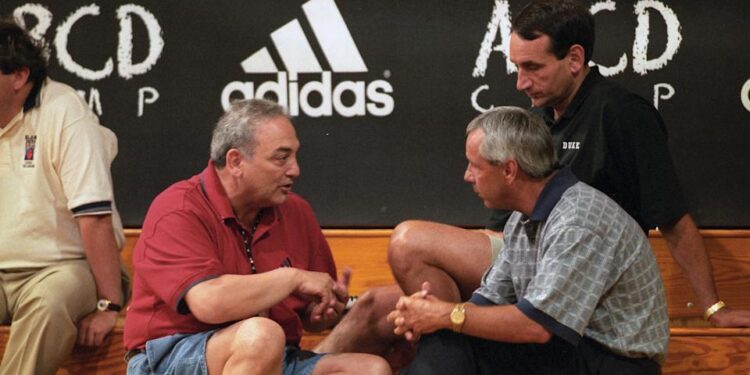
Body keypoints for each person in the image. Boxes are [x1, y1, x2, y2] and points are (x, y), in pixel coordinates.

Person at [316, 0, 750, 362]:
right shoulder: (534, 119)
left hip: (594, 272)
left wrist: (713, 307)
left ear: (575, 59)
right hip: (529, 262)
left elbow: (672, 217)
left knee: (409, 240)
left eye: (533, 67)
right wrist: (450, 313)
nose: (521, 82)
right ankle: (302, 368)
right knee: (377, 306)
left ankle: (456, 337)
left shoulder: (620, 114)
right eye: (516, 67)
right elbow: (502, 230)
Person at [389, 106, 669, 374]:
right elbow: (487, 302)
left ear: (509, 170)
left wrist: (446, 315)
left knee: (452, 332)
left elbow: (536, 325)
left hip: (614, 361)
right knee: (445, 339)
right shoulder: (521, 219)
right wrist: (424, 315)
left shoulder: (578, 220)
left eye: (475, 166)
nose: (467, 176)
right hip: (565, 351)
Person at [123, 99, 390, 375]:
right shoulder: (178, 208)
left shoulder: (297, 211)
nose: (295, 170)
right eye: (281, 158)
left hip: (275, 355)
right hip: (171, 355)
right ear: (236, 161)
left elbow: (309, 316)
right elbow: (209, 303)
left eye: (295, 156)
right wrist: (292, 277)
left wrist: (321, 312)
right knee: (261, 337)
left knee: (370, 370)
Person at [0, 19, 127, 375]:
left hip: (66, 268)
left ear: (19, 77)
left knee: (49, 303)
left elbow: (95, 217)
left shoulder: (66, 112)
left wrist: (108, 305)